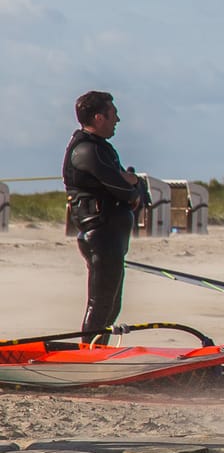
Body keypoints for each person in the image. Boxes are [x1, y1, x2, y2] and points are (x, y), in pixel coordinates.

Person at [63, 90, 147, 344]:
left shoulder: (102, 148)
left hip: (112, 237)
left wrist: (132, 185)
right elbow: (121, 187)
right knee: (100, 304)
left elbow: (125, 182)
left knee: (112, 304)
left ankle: (97, 353)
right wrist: (134, 188)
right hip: (100, 235)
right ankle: (87, 353)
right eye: (114, 114)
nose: (118, 120)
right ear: (99, 117)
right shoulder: (86, 150)